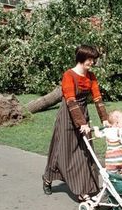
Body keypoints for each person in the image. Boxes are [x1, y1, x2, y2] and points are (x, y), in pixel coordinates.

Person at [42, 45, 109, 201]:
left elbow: (98, 99)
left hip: (82, 113)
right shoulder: (69, 75)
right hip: (68, 115)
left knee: (85, 151)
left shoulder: (91, 77)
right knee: (63, 150)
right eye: (90, 59)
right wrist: (81, 123)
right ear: (81, 58)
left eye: (94, 59)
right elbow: (71, 101)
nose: (92, 62)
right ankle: (48, 178)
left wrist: (104, 119)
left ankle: (84, 188)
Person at [93, 110, 122, 178]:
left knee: (111, 175)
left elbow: (98, 135)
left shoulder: (106, 130)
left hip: (111, 160)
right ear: (116, 123)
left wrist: (96, 129)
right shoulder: (120, 130)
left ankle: (113, 184)